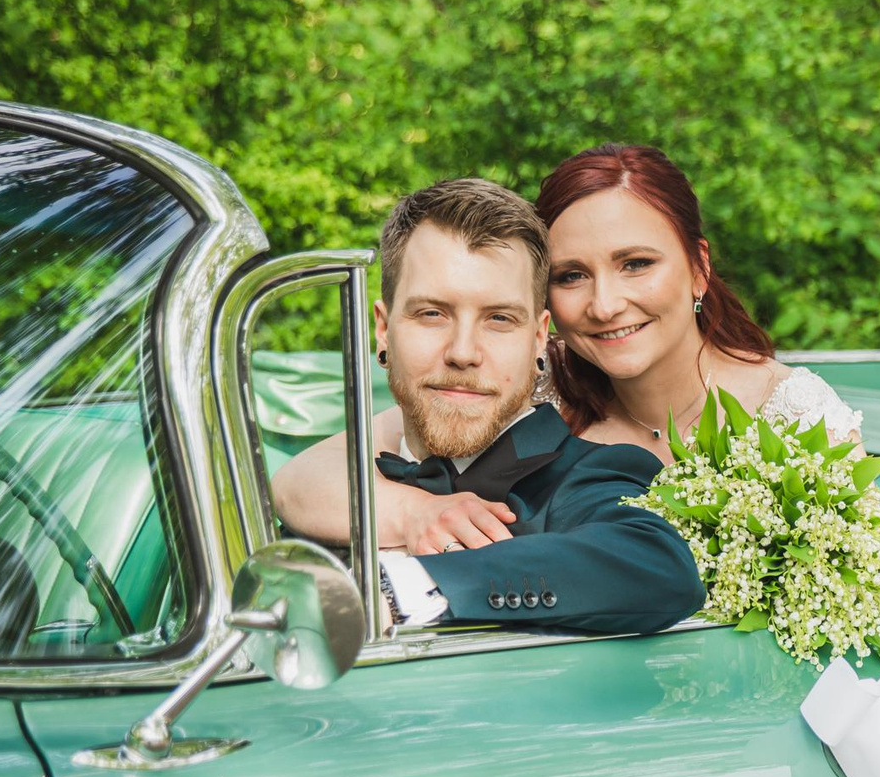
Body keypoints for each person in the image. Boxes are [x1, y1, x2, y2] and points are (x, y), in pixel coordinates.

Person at [270, 178, 704, 636]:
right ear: (383, 329)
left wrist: (402, 589)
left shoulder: (585, 477)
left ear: (539, 338)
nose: (463, 352)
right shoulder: (349, 482)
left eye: (499, 319)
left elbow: (657, 565)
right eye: (431, 314)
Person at [535, 144, 860, 461]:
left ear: (699, 268)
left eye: (636, 264)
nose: (604, 307)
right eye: (571, 276)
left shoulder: (794, 418)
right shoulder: (532, 386)